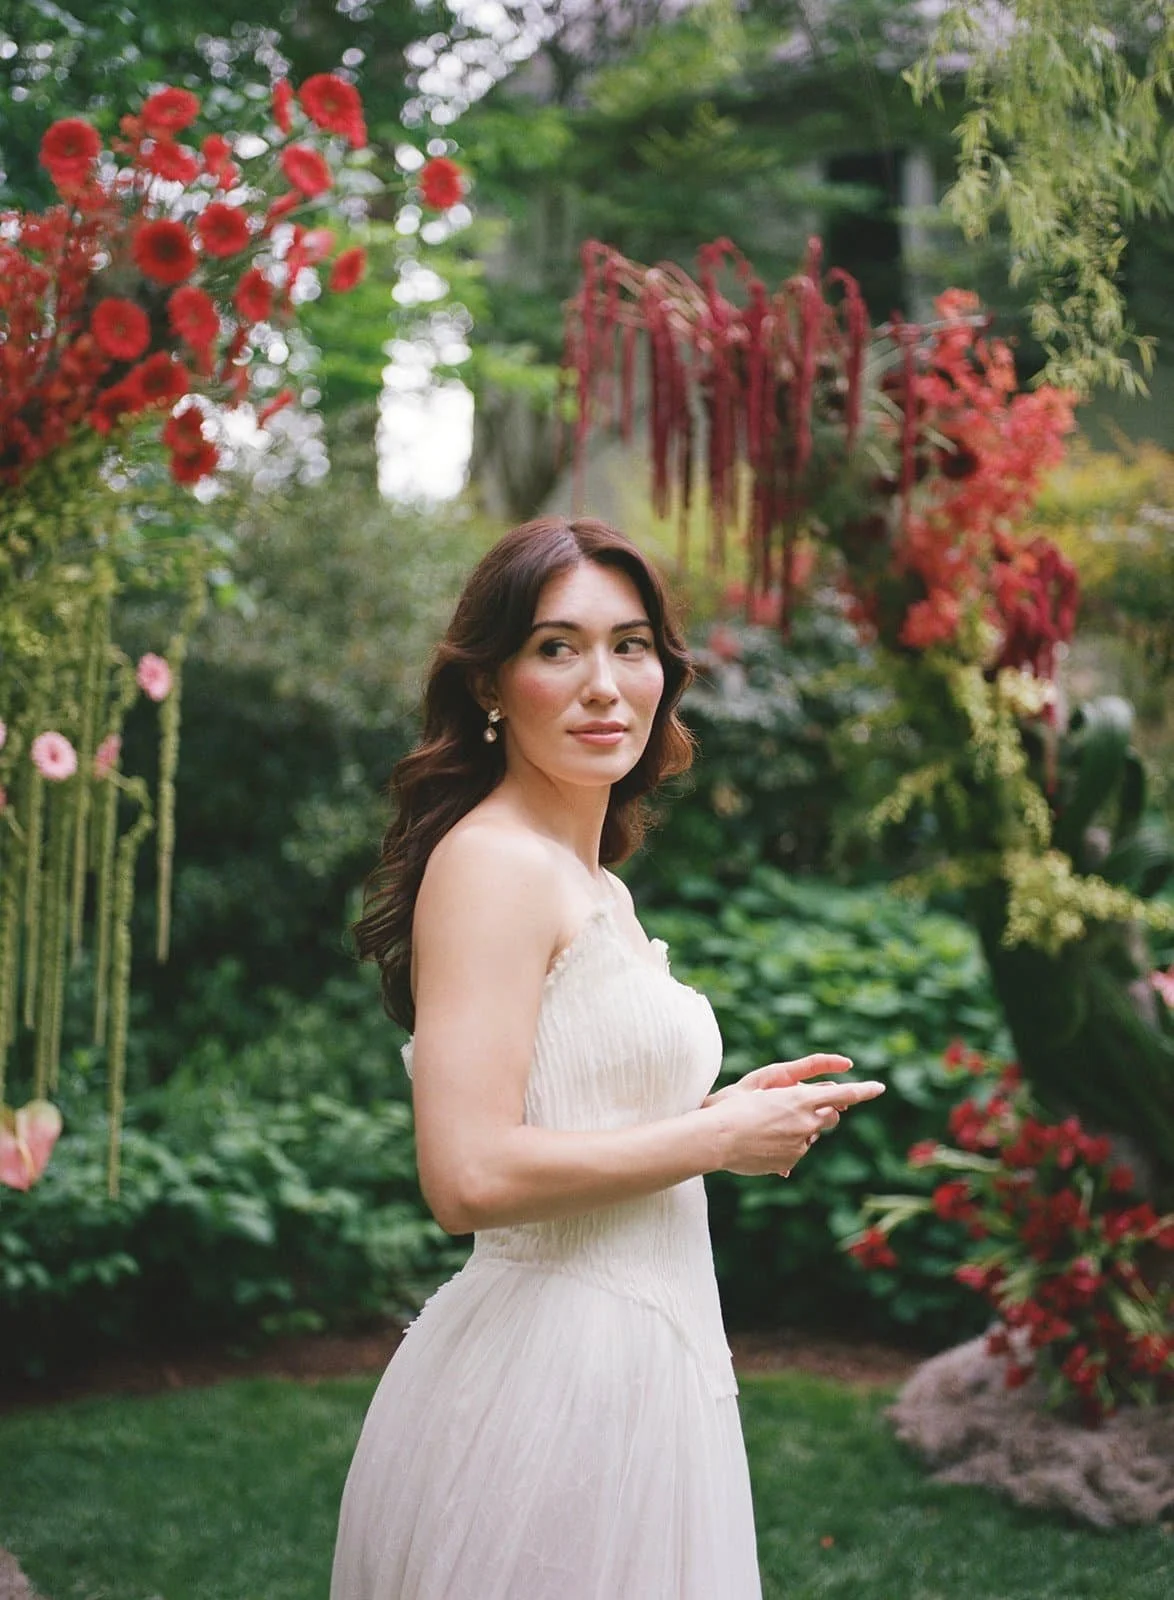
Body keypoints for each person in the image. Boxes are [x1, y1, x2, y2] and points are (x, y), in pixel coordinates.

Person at [331, 516, 885, 1600]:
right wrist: (713, 1141)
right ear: (489, 684)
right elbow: (466, 1175)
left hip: (647, 1365)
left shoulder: (599, 886)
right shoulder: (493, 865)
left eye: (630, 646)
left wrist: (721, 1112)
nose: (603, 685)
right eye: (557, 647)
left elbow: (577, 1114)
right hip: (549, 1382)